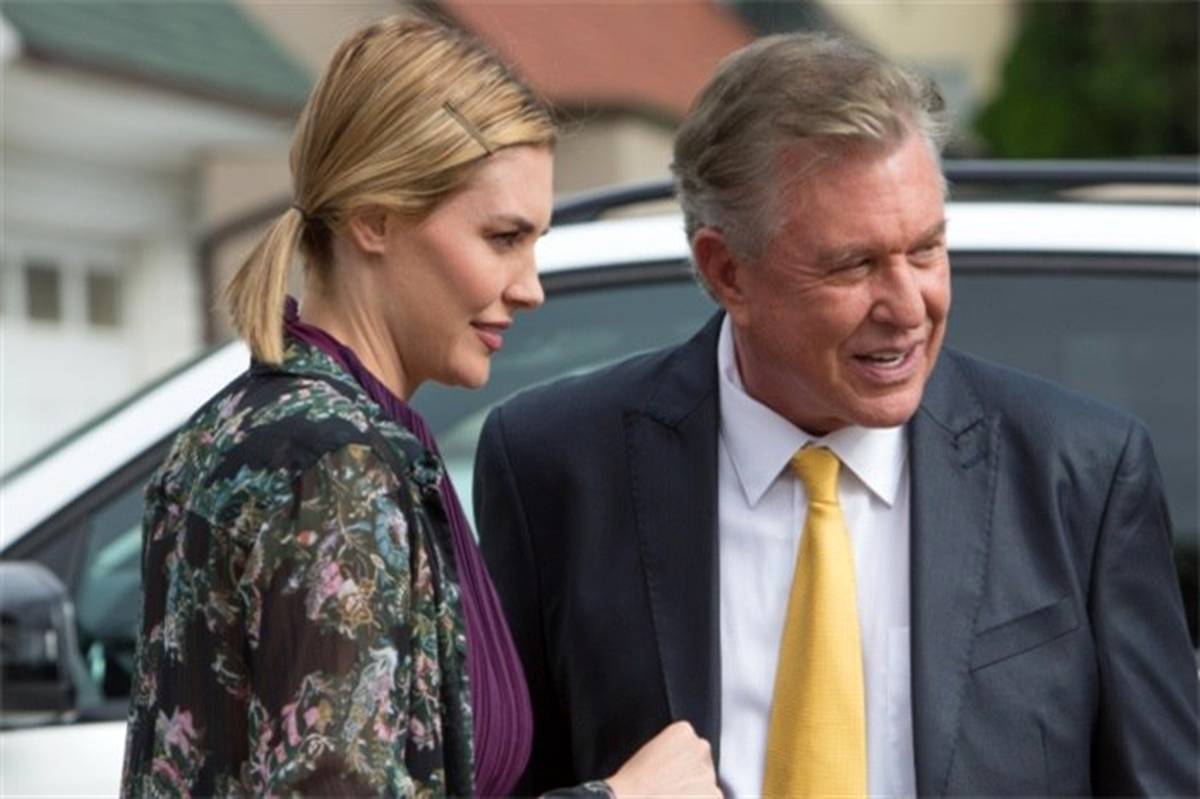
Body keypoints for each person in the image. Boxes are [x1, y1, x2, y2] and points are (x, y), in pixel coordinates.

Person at [474, 32, 1200, 797]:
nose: (909, 306)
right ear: (727, 271)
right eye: (855, 264)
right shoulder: (557, 466)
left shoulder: (1079, 471)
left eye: (926, 250)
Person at [121, 15, 718, 797]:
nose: (530, 287)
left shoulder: (251, 425)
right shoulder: (337, 467)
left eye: (534, 243)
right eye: (503, 238)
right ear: (374, 218)